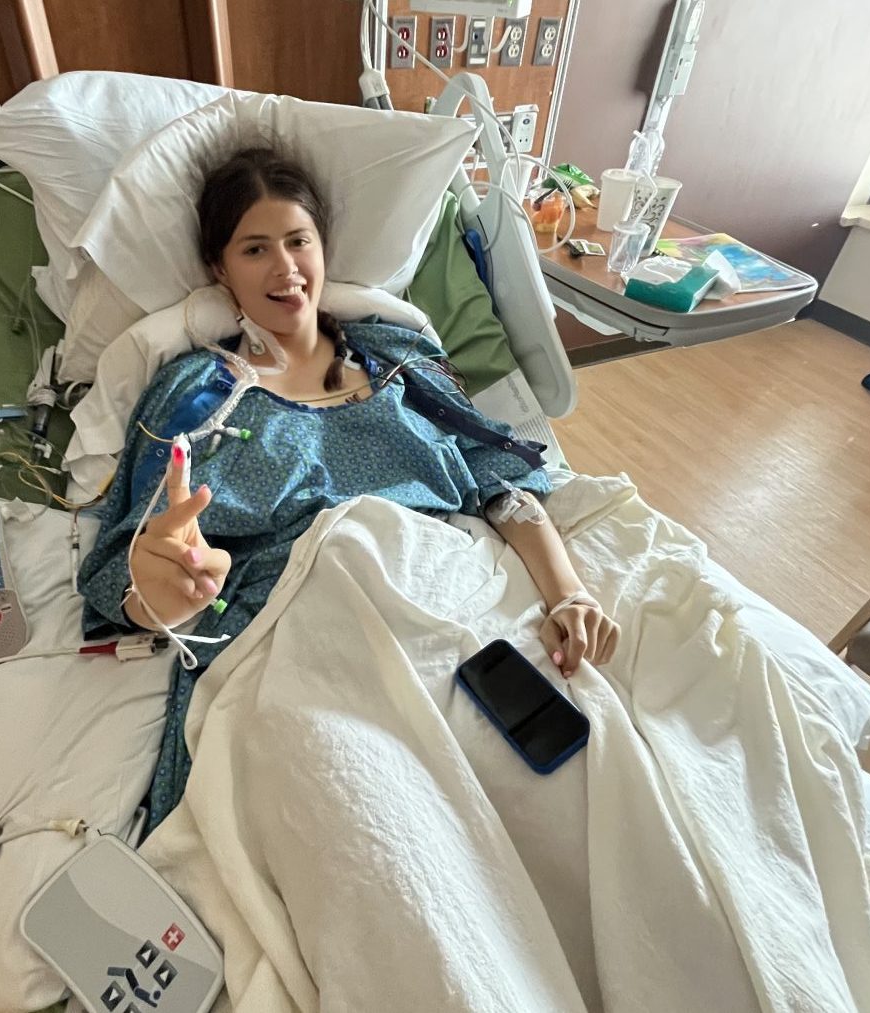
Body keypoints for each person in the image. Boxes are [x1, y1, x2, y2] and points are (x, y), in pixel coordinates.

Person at [79, 147, 619, 828]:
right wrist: (160, 587)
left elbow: (500, 480)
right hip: (299, 639)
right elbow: (134, 560)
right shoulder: (195, 394)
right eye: (255, 249)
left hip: (453, 607)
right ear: (219, 268)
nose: (285, 267)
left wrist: (567, 592)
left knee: (568, 795)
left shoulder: (399, 360)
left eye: (298, 241)